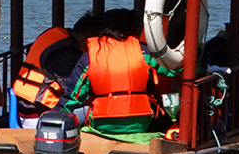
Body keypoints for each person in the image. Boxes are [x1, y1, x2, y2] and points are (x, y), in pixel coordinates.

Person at [66, 8, 170, 144]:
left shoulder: (89, 57)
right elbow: (172, 70)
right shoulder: (143, 52)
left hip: (101, 122)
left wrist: (56, 115)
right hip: (141, 121)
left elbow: (73, 97)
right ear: (133, 28)